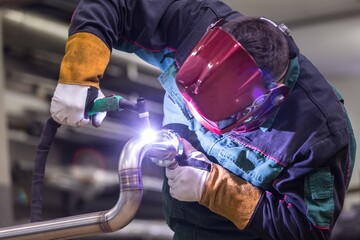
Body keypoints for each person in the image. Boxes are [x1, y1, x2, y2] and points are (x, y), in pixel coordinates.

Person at [50, 0, 357, 239]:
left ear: (269, 99)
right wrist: (80, 75)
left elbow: (308, 230)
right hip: (185, 228)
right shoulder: (193, 25)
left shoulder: (319, 133)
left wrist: (213, 188)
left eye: (218, 120)